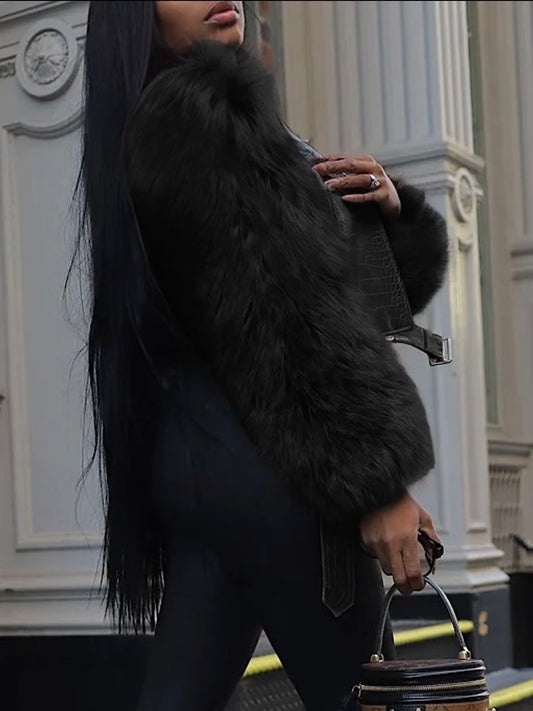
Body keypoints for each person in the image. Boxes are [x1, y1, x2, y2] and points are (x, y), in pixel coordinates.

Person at [75, 2, 449, 710]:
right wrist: (378, 485)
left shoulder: (150, 121)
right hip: (279, 470)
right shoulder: (210, 109)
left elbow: (313, 301)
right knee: (362, 699)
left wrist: (390, 217)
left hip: (199, 469)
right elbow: (288, 319)